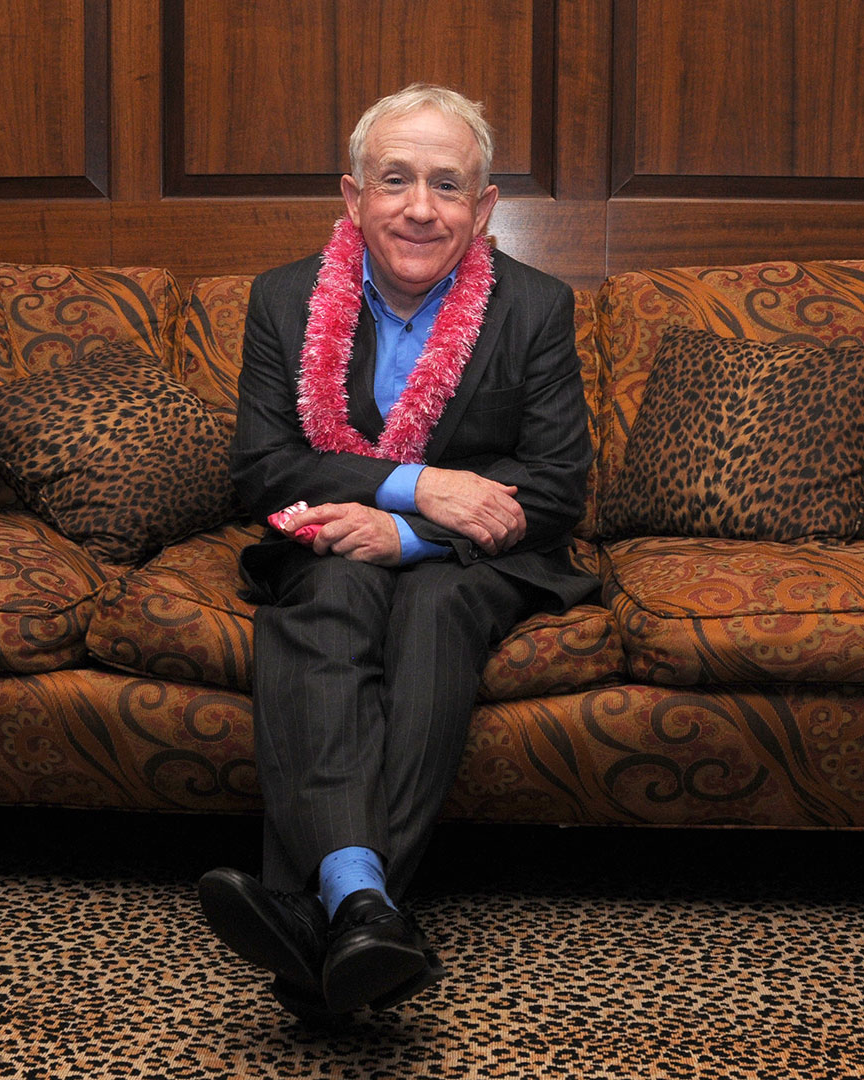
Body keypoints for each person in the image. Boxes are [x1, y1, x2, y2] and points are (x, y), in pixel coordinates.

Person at [199, 84, 596, 1022]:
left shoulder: (536, 308)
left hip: (474, 567)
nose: (421, 207)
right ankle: (370, 918)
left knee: (433, 608)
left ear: (484, 208)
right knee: (330, 589)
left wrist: (412, 536)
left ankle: (325, 911)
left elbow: (552, 489)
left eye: (448, 185)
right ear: (353, 197)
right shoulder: (286, 298)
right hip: (333, 541)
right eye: (396, 180)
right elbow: (264, 467)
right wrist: (418, 486)